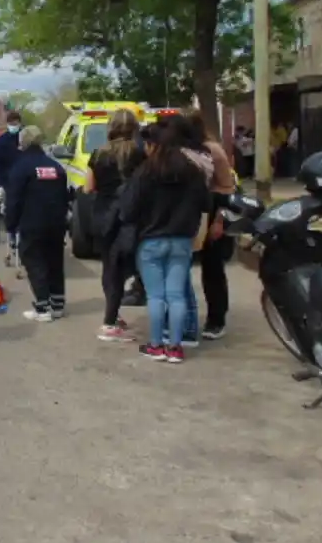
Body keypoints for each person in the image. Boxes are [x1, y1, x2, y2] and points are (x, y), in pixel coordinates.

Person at [119, 114, 210, 363]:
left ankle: (156, 344)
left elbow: (127, 211)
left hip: (150, 242)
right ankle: (176, 347)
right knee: (176, 295)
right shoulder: (193, 171)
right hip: (182, 241)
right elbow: (206, 204)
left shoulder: (145, 173)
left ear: (154, 144)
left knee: (156, 296)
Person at [84, 109, 147, 342]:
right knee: (134, 265)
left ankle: (111, 318)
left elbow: (88, 187)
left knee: (110, 268)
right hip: (133, 216)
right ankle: (114, 320)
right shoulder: (141, 153)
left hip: (105, 216)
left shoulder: (99, 154)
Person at [4, 124, 69, 322]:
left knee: (34, 261)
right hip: (57, 223)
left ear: (22, 143)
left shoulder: (21, 167)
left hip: (32, 222)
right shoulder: (56, 166)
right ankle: (57, 303)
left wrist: (10, 225)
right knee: (54, 261)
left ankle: (43, 307)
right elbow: (64, 196)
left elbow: (13, 199)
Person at [184, 109, 236, 341]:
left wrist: (219, 221)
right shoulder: (182, 150)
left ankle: (217, 319)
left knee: (212, 268)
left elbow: (227, 188)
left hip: (214, 211)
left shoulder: (212, 150)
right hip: (190, 212)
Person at [0, 111, 22, 262]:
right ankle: (11, 240)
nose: (13, 126)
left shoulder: (25, 139)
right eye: (11, 123)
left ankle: (22, 242)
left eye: (16, 123)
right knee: (10, 215)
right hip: (8, 185)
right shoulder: (0, 143)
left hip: (25, 184)